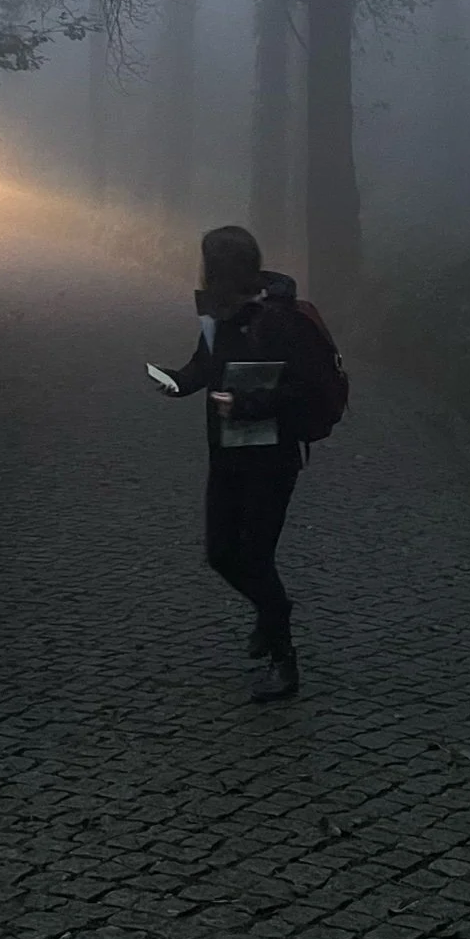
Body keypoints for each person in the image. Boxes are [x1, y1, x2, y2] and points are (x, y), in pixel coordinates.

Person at [156, 223, 312, 703]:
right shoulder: (218, 315)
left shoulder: (279, 319)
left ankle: (283, 657)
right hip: (226, 455)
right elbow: (205, 367)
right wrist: (175, 382)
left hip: (272, 460)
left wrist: (245, 406)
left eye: (208, 263)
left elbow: (300, 390)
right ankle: (274, 615)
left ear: (224, 269)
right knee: (221, 553)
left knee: (257, 557)